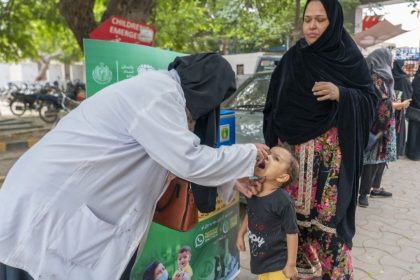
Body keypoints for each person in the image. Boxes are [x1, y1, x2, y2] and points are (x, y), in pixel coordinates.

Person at [0, 53, 269, 280]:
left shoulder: (166, 95)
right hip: (47, 208)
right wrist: (247, 154)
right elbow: (188, 160)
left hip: (68, 207)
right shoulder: (159, 95)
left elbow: (173, 158)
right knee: (32, 264)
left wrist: (232, 177)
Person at [262, 0, 377, 278]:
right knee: (293, 230)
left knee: (329, 232)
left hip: (330, 170)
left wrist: (343, 94)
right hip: (293, 165)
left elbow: (371, 101)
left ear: (334, 22)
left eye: (320, 20)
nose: (312, 26)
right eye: (308, 19)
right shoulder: (292, 58)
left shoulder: (348, 58)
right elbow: (272, 105)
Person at [236, 145, 300, 280]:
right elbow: (251, 213)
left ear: (282, 177)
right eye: (269, 153)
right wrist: (241, 234)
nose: (267, 157)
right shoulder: (254, 190)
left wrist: (291, 264)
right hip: (261, 262)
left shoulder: (283, 200)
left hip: (278, 264)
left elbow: (292, 232)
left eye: (275, 158)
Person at [359, 48, 411, 208]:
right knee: (373, 160)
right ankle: (363, 194)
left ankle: (375, 188)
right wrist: (399, 105)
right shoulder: (377, 77)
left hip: (385, 125)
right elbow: (382, 103)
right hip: (377, 126)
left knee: (382, 158)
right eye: (389, 59)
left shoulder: (385, 76)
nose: (391, 62)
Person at [392, 60, 413, 157]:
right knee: (399, 129)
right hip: (400, 107)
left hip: (390, 106)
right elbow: (409, 93)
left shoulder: (390, 75)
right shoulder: (404, 79)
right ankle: (398, 150)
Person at [406, 66, 420, 160]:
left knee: (414, 132)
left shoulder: (416, 77)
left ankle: (412, 153)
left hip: (415, 108)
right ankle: (414, 154)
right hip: (417, 109)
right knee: (415, 133)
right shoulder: (418, 78)